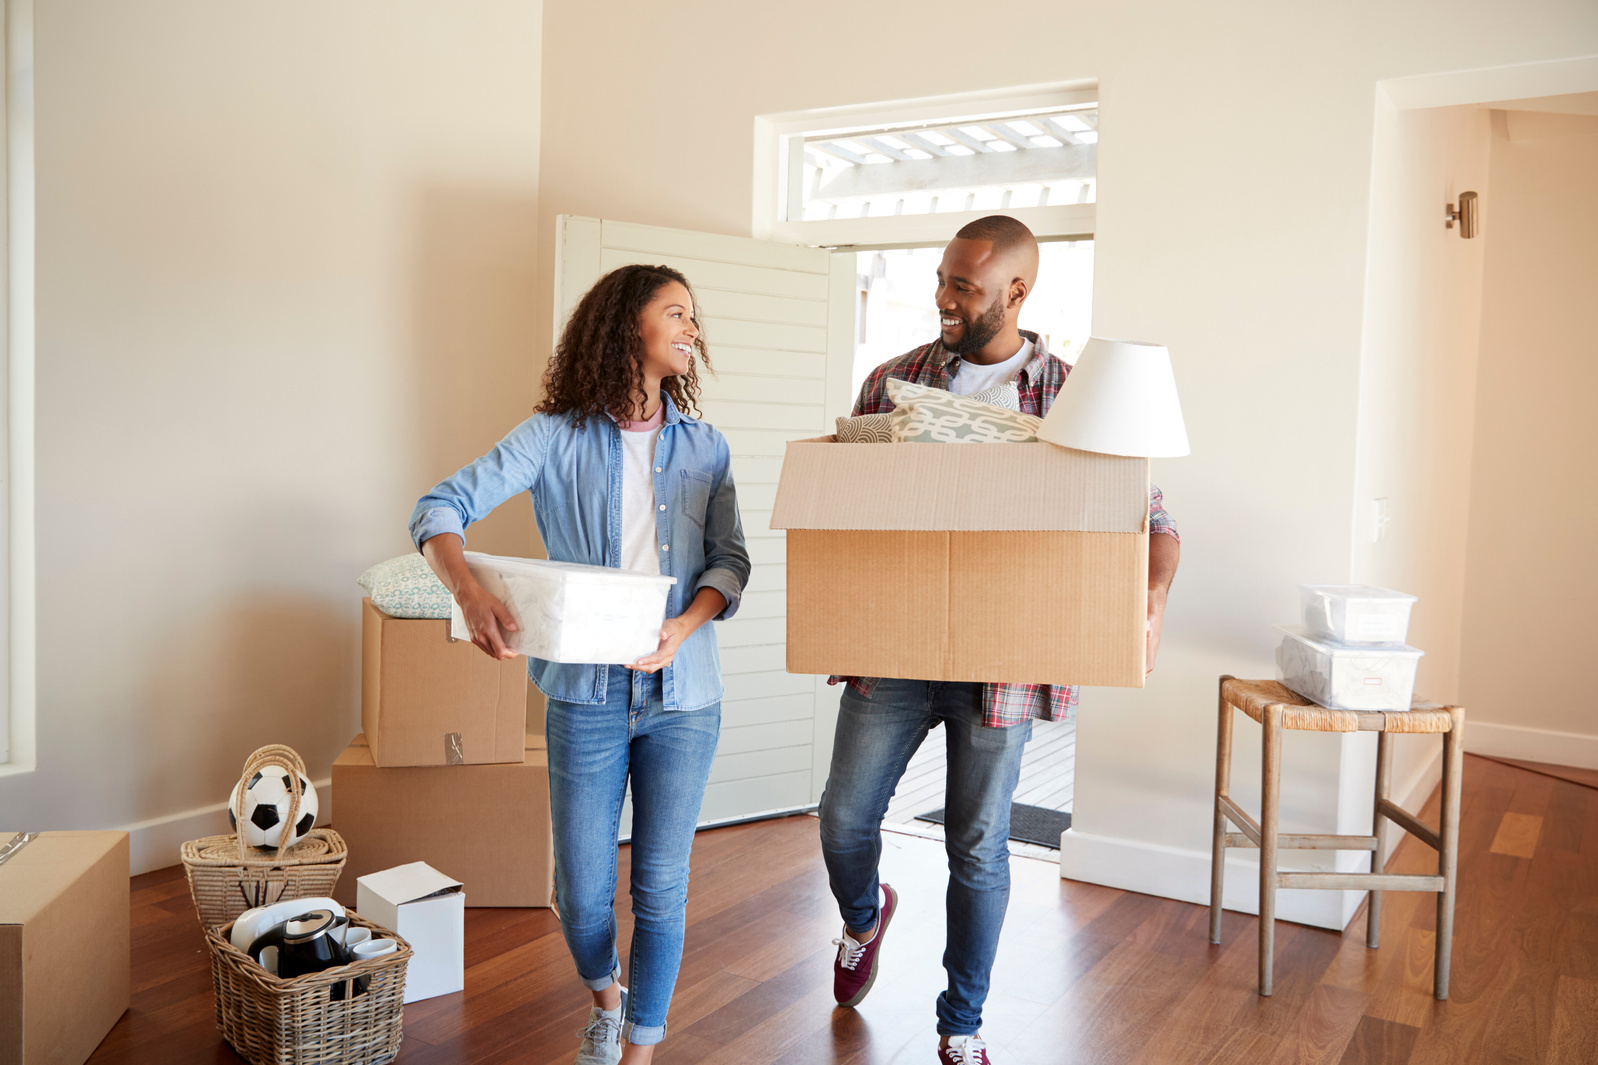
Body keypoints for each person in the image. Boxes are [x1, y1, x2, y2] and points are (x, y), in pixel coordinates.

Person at [818, 216, 1181, 1065]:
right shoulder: (892, 382)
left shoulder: (1074, 397)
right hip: (897, 648)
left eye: (964, 286)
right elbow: (846, 504)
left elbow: (1153, 522)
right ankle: (864, 916)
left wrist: (1151, 597)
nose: (944, 299)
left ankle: (961, 1023)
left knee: (977, 844)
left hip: (1005, 661)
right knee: (842, 817)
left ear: (1016, 293)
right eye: (943, 279)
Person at [409, 264, 750, 1065]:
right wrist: (468, 592)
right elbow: (438, 508)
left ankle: (639, 1047)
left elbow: (731, 560)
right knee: (581, 895)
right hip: (586, 697)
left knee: (661, 885)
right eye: (676, 313)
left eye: (692, 317)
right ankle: (606, 995)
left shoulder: (707, 447)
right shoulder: (552, 436)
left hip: (685, 697)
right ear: (626, 325)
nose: (692, 329)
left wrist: (685, 623)